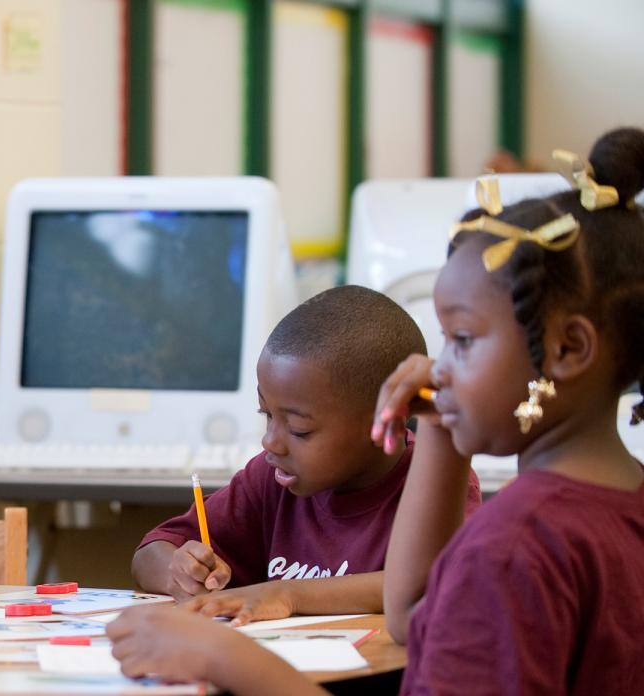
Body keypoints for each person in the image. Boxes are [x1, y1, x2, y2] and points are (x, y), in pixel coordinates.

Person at [105, 127, 644, 695]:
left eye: (460, 340)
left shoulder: (514, 545)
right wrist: (437, 422)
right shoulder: (617, 506)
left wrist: (221, 655)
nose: (438, 368)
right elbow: (414, 615)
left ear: (567, 349)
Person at [132, 285, 481, 624]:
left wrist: (287, 594)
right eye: (266, 414)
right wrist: (179, 572)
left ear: (387, 417)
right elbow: (150, 552)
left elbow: (430, 585)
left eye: (299, 430)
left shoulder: (435, 478)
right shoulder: (270, 479)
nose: (271, 442)